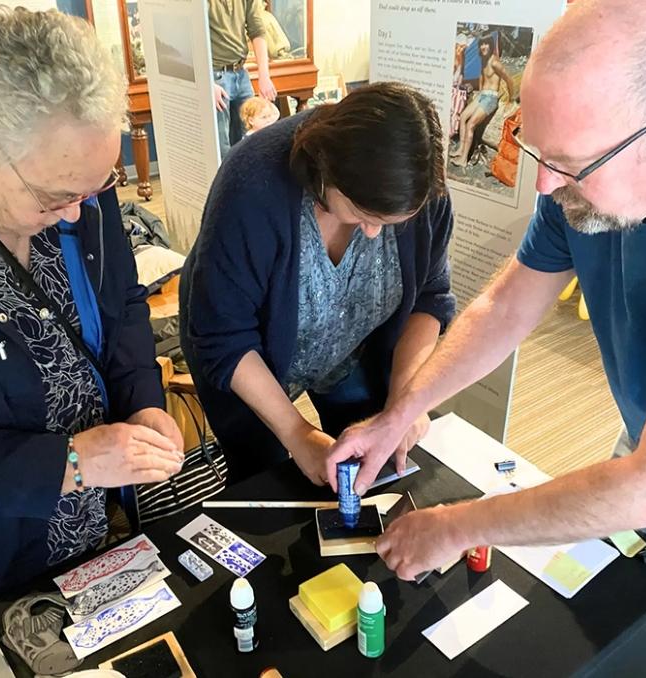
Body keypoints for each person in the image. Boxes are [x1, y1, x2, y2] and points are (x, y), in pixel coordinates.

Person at [326, 0, 646, 581]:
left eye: (571, 164)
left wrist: (458, 526)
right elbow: (503, 308)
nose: (546, 183)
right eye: (540, 154)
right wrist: (400, 413)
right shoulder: (573, 189)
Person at [0, 8, 184, 622]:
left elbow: (120, 305)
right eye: (55, 196)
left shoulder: (70, 170)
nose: (74, 216)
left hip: (88, 537)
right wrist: (69, 462)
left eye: (95, 190)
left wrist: (143, 400)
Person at [181, 82, 455, 485]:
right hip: (245, 358)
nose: (374, 234)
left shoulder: (421, 187)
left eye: (388, 223)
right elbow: (225, 336)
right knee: (266, 477)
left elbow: (429, 299)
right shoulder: (253, 184)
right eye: (363, 215)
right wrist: (297, 434)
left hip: (351, 352)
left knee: (367, 467)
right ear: (328, 172)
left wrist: (404, 402)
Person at [208, 0, 278, 159]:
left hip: (241, 73)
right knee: (221, 145)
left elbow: (257, 30)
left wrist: (264, 76)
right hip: (215, 76)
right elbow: (191, 36)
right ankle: (226, 183)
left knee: (251, 138)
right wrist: (207, 82)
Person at [450, 34, 516, 168]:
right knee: (463, 117)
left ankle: (463, 159)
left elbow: (509, 80)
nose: (483, 46)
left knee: (470, 125)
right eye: (481, 44)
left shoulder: (494, 62)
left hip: (491, 97)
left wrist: (511, 99)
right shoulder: (483, 59)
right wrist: (477, 93)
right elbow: (481, 76)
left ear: (491, 45)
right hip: (482, 95)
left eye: (486, 44)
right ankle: (461, 149)